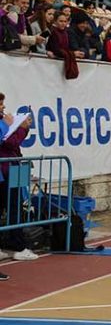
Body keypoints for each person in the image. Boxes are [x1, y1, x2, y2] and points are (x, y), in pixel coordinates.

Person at [0, 93, 39, 266]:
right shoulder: (4, 123)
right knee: (14, 207)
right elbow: (9, 143)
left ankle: (12, 243)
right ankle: (17, 246)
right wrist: (21, 128)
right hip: (6, 171)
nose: (3, 107)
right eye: (0, 104)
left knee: (11, 207)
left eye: (3, 104)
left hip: (9, 170)